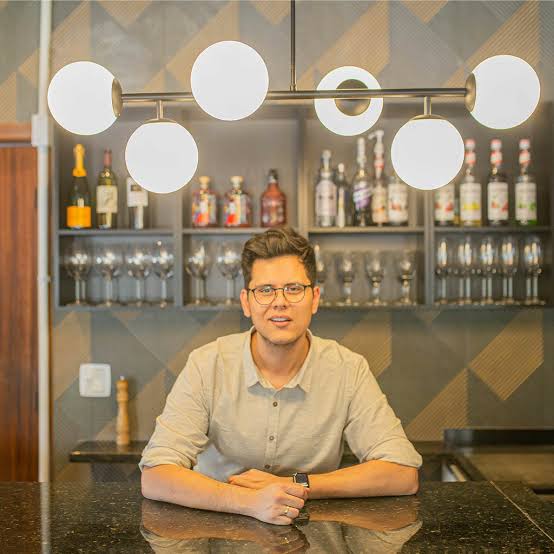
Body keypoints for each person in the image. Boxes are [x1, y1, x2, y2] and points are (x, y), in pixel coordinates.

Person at [139, 227, 422, 526]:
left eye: (294, 288)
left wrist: (294, 485)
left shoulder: (348, 369)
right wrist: (249, 502)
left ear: (314, 298)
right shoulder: (207, 365)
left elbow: (402, 472)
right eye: (265, 290)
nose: (279, 302)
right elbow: (156, 475)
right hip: (218, 531)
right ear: (246, 302)